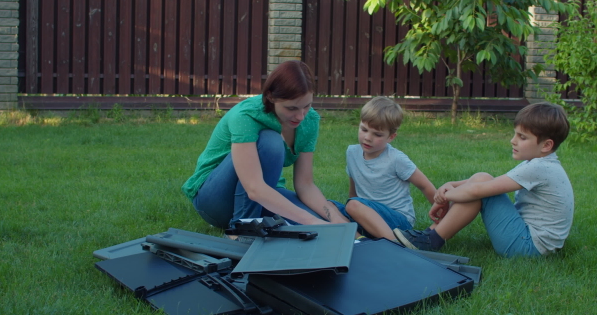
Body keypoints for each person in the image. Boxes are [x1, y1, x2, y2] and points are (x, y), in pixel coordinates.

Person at [181, 60, 347, 230]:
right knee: (270, 141)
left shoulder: (310, 121)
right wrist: (310, 221)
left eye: (307, 106)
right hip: (215, 199)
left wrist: (333, 217)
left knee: (323, 226)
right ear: (270, 97)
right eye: (291, 108)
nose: (300, 116)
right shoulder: (246, 115)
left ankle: (255, 223)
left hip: (262, 198)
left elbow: (305, 185)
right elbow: (254, 188)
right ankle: (242, 230)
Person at [393, 102, 574, 257]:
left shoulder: (539, 168)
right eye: (515, 134)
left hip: (528, 247)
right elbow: (487, 182)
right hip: (531, 240)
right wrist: (451, 186)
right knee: (482, 178)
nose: (513, 141)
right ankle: (430, 234)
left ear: (546, 145)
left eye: (522, 137)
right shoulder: (541, 164)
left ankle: (431, 241)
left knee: (479, 191)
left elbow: (478, 191)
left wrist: (446, 197)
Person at [334, 96, 437, 242]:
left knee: (354, 205)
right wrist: (351, 211)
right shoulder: (352, 152)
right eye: (364, 129)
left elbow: (425, 185)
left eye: (377, 134)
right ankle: (360, 240)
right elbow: (354, 187)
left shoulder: (396, 159)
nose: (367, 138)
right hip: (365, 213)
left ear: (391, 137)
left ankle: (395, 244)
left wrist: (442, 215)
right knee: (327, 205)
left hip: (398, 221)